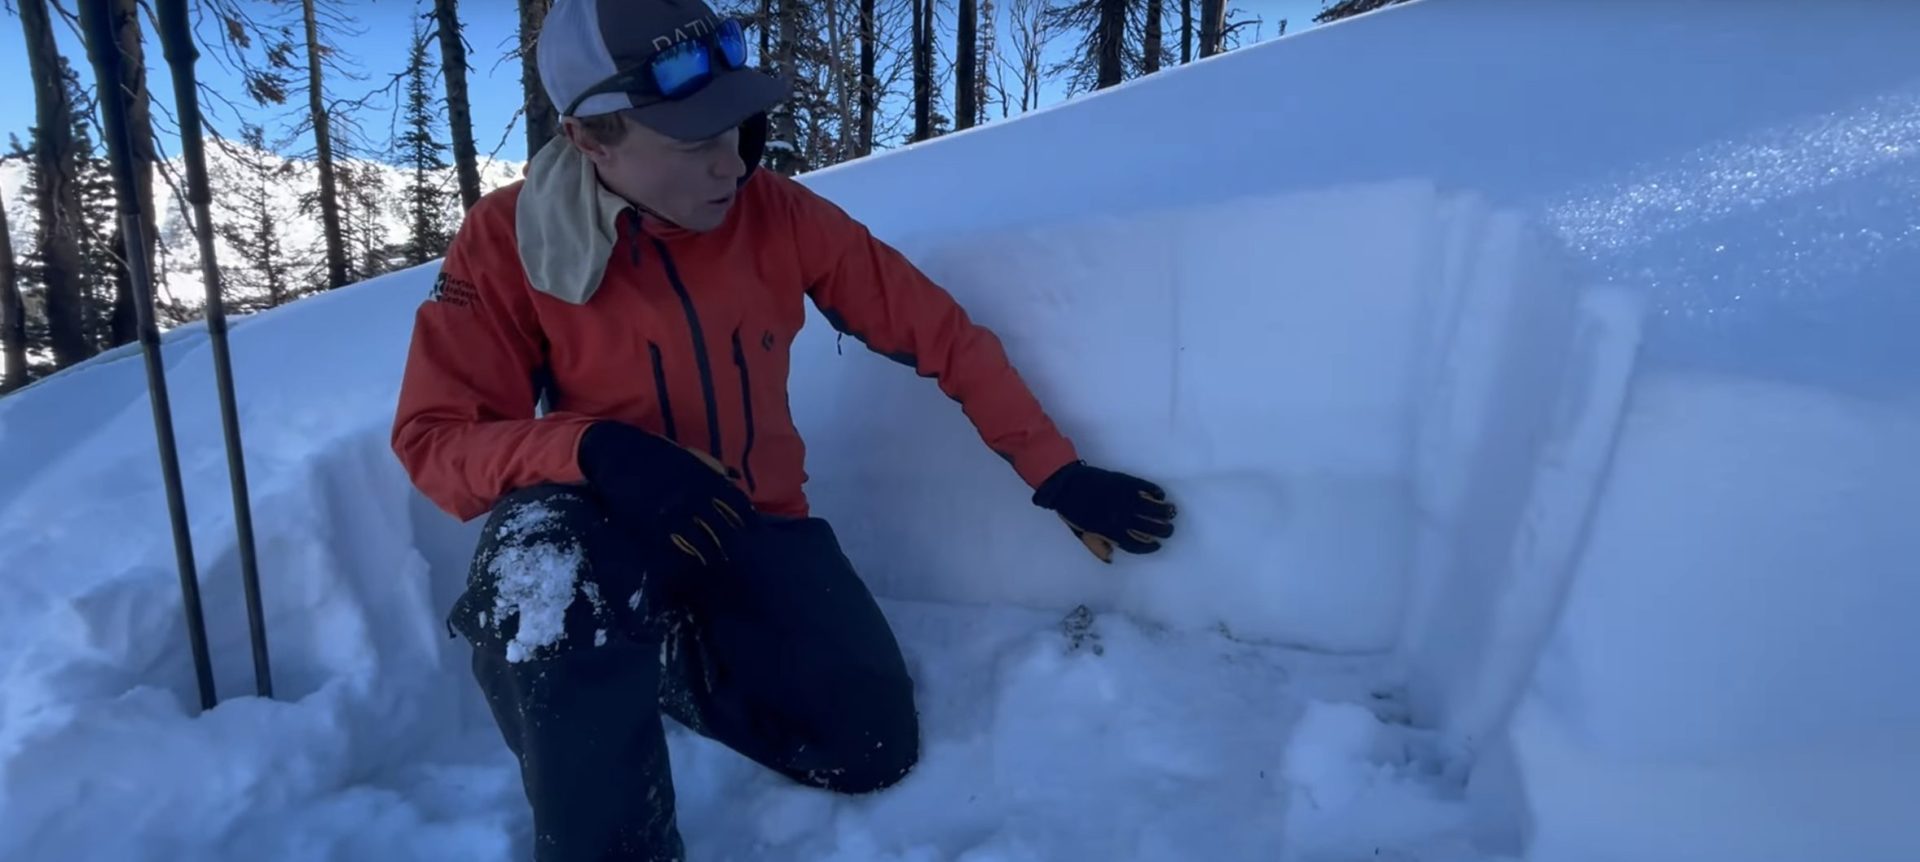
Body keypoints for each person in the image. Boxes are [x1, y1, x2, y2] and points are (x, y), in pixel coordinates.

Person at [389, 0, 1177, 857]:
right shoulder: (508, 241)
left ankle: (661, 661)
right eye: (694, 143)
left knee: (868, 746)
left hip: (747, 522)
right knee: (538, 576)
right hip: (605, 521)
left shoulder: (778, 214)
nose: (732, 165)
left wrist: (1055, 473)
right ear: (590, 140)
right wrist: (593, 449)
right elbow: (436, 436)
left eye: (738, 126)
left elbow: (939, 334)